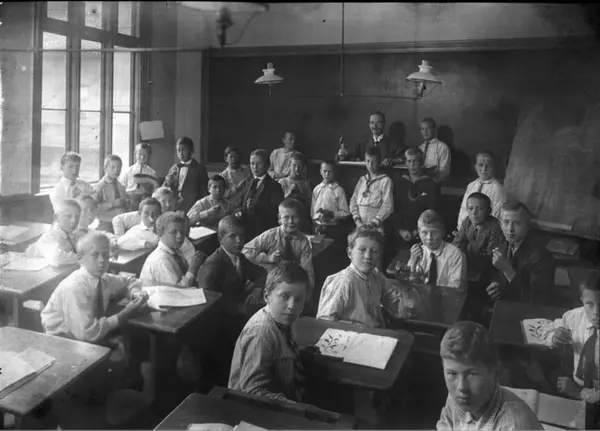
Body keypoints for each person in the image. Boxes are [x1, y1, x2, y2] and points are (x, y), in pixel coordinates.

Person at [40, 231, 148, 344]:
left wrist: (135, 293)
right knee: (126, 341)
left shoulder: (103, 279)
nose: (102, 260)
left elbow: (129, 281)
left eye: (105, 255)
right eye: (95, 255)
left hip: (85, 337)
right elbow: (86, 333)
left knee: (133, 338)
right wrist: (123, 315)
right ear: (80, 258)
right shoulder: (75, 287)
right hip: (61, 341)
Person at [196, 216, 267, 385]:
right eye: (232, 236)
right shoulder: (212, 265)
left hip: (236, 316)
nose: (239, 241)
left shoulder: (237, 257)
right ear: (220, 238)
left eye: (242, 235)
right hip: (218, 327)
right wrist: (241, 309)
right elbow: (208, 302)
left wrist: (257, 289)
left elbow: (261, 273)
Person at [436, 321, 543, 430]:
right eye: (452, 373)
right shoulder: (457, 399)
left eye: (472, 374)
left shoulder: (513, 424)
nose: (462, 387)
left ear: (496, 373)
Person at [228, 262, 309, 402]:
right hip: (258, 409)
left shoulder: (282, 319)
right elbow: (253, 391)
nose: (292, 306)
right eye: (284, 296)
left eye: (298, 299)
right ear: (266, 296)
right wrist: (297, 407)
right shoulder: (260, 333)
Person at [317, 225, 417, 328]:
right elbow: (324, 323)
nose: (368, 256)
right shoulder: (343, 282)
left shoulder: (376, 275)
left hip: (376, 333)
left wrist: (406, 285)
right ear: (350, 253)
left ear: (379, 256)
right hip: (353, 336)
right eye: (362, 250)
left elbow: (402, 311)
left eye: (374, 251)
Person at [542, 276, 600, 407]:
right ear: (582, 301)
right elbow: (550, 328)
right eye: (590, 304)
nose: (596, 313)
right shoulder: (575, 316)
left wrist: (579, 393)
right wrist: (555, 337)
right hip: (576, 381)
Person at [242, 198, 315, 301]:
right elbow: (246, 250)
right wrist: (267, 259)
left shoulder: (303, 242)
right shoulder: (271, 235)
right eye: (286, 217)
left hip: (292, 283)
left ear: (300, 218)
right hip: (270, 281)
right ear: (279, 218)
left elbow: (308, 270)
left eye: (294, 217)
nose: (291, 221)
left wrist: (308, 294)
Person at [485, 200, 554, 305]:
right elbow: (498, 275)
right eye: (506, 222)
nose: (510, 229)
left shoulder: (541, 256)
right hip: (504, 304)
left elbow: (537, 299)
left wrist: (507, 270)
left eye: (517, 223)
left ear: (527, 226)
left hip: (527, 310)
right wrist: (497, 286)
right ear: (500, 224)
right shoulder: (501, 244)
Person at [139, 211, 206, 287]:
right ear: (159, 233)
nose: (179, 236)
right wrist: (192, 270)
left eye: (182, 232)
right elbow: (177, 290)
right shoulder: (161, 260)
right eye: (173, 232)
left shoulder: (174, 251)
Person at [408, 210, 466, 289]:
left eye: (434, 232)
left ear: (443, 232)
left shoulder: (454, 254)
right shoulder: (417, 252)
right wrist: (413, 263)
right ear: (419, 232)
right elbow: (410, 286)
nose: (429, 238)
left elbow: (455, 288)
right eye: (424, 233)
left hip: (446, 295)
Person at [238, 149, 285, 241]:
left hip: (263, 233)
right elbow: (241, 203)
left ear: (267, 165)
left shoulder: (274, 186)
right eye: (252, 163)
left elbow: (274, 213)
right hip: (246, 231)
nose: (255, 167)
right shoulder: (248, 183)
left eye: (259, 163)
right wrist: (239, 211)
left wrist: (255, 209)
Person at [394, 147, 438, 246]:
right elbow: (394, 209)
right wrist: (400, 230)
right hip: (401, 232)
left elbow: (431, 211)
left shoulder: (430, 184)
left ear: (421, 162)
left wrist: (417, 231)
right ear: (405, 163)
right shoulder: (400, 183)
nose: (412, 165)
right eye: (409, 161)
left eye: (415, 161)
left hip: (423, 232)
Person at [456, 151, 507, 230]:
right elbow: (464, 209)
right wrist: (461, 228)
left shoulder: (497, 189)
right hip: (467, 229)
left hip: (486, 230)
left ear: (494, 168)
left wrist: (482, 229)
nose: (484, 169)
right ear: (475, 167)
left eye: (488, 166)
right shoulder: (471, 186)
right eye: (480, 165)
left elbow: (497, 213)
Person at [25, 199, 83, 267]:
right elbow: (56, 259)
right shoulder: (49, 237)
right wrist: (80, 257)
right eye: (68, 216)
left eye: (77, 217)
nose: (74, 220)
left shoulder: (74, 234)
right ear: (56, 217)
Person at [349, 147, 393, 232]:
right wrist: (358, 221)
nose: (370, 165)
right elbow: (353, 201)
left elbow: (388, 206)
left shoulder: (385, 181)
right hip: (360, 225)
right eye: (368, 161)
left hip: (376, 227)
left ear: (379, 161)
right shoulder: (362, 180)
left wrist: (373, 223)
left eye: (374, 162)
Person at [163, 136, 209, 213]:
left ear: (191, 150)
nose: (181, 153)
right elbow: (165, 188)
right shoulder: (174, 168)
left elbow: (204, 192)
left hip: (191, 207)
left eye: (184, 150)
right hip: (175, 206)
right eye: (178, 150)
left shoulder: (199, 169)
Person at [94, 155, 128, 233]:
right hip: (106, 223)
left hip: (120, 221)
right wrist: (112, 204)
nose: (116, 170)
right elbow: (94, 209)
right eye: (113, 167)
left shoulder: (121, 186)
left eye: (119, 167)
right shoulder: (100, 187)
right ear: (105, 168)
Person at [119, 142, 158, 209]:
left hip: (145, 202)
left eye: (145, 155)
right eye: (140, 154)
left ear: (149, 155)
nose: (142, 157)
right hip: (130, 201)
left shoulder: (152, 172)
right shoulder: (127, 171)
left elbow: (154, 190)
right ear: (135, 154)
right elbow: (121, 189)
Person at [311, 160, 350, 225]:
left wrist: (332, 214)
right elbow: (312, 211)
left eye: (330, 172)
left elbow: (345, 212)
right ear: (320, 171)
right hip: (317, 225)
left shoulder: (339, 190)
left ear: (334, 172)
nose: (327, 174)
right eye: (324, 171)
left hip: (332, 226)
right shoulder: (316, 189)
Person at [418, 117, 451, 183]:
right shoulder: (419, 148)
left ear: (434, 129)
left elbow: (444, 171)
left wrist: (430, 182)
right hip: (419, 183)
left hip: (435, 184)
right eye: (422, 129)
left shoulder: (442, 147)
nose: (425, 132)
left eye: (428, 128)